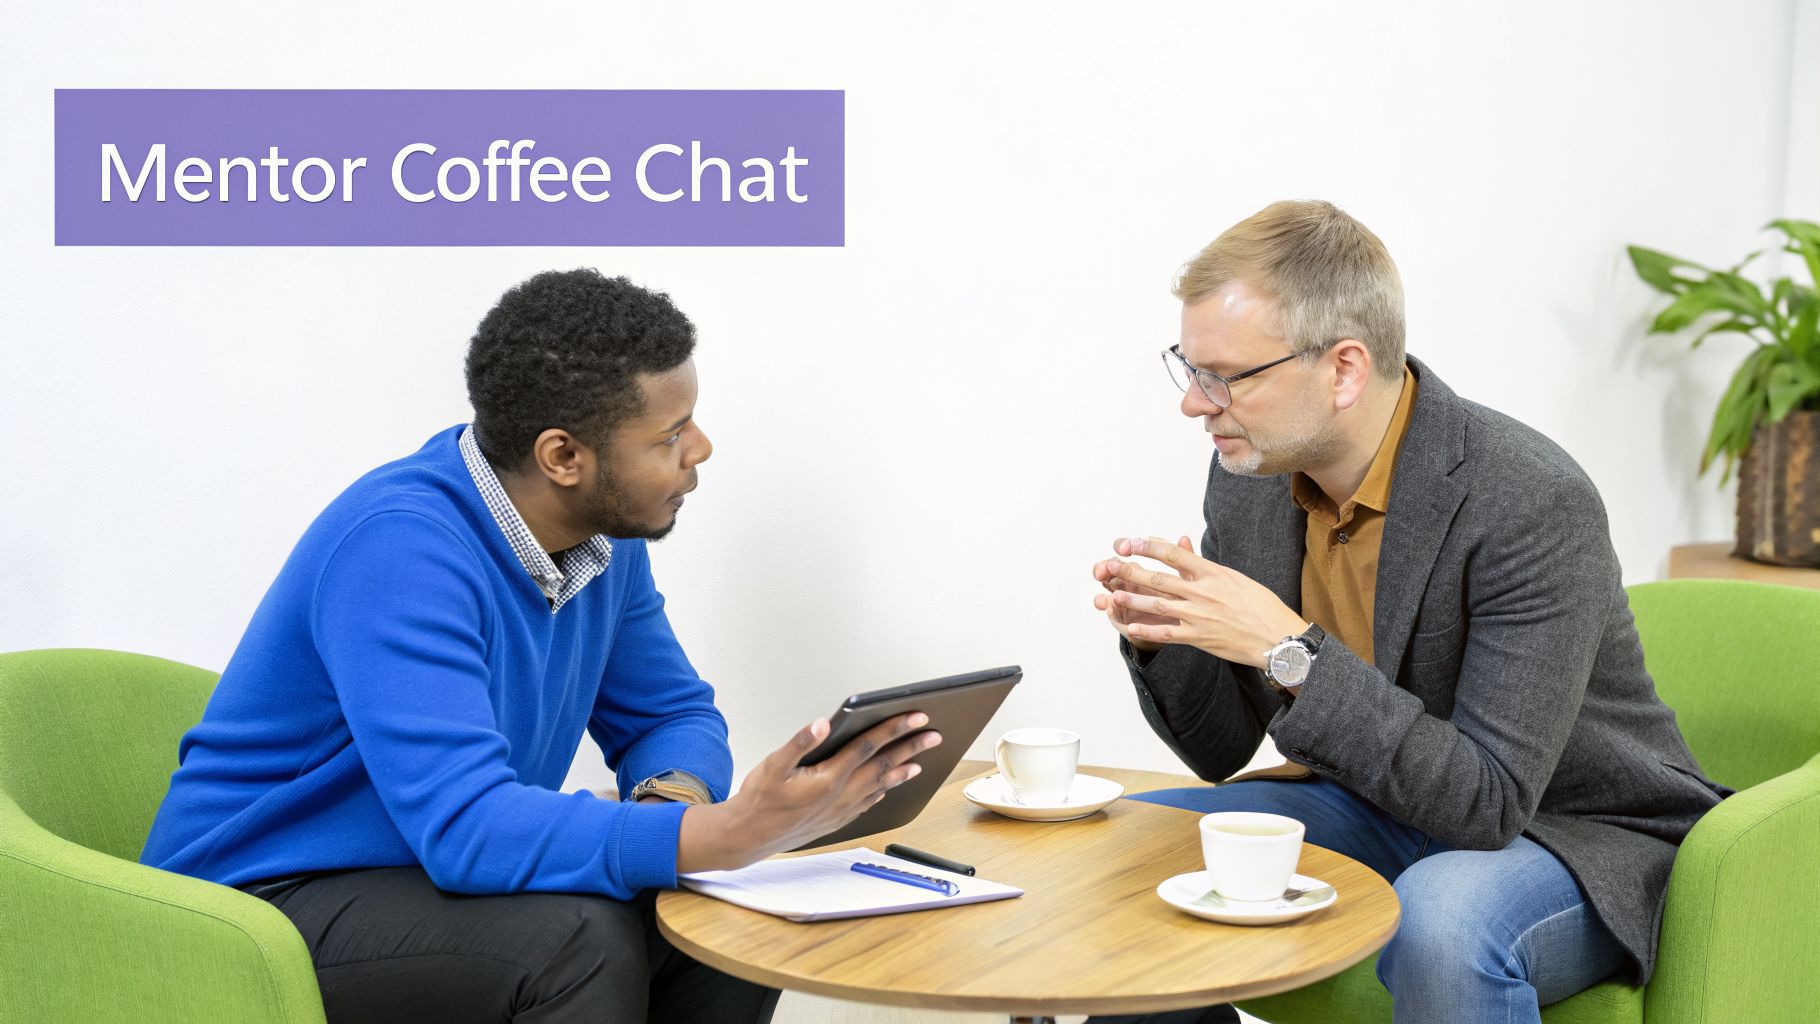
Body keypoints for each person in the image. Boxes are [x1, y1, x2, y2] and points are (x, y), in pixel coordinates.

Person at [141, 268, 941, 1024]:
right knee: (575, 942)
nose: (700, 449)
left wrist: (678, 808)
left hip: (408, 875)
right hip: (257, 904)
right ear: (564, 456)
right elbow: (467, 829)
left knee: (712, 916)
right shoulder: (400, 550)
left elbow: (670, 713)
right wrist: (719, 835)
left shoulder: (602, 539)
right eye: (669, 433)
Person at [1086, 201, 1728, 1024]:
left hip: (1567, 830)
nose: (1195, 405)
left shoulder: (1529, 499)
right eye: (1191, 367)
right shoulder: (1251, 480)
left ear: (1345, 368)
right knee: (1132, 851)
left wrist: (1285, 649)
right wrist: (1169, 634)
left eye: (1227, 377)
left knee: (1446, 920)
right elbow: (1219, 752)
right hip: (1371, 803)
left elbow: (1488, 803)